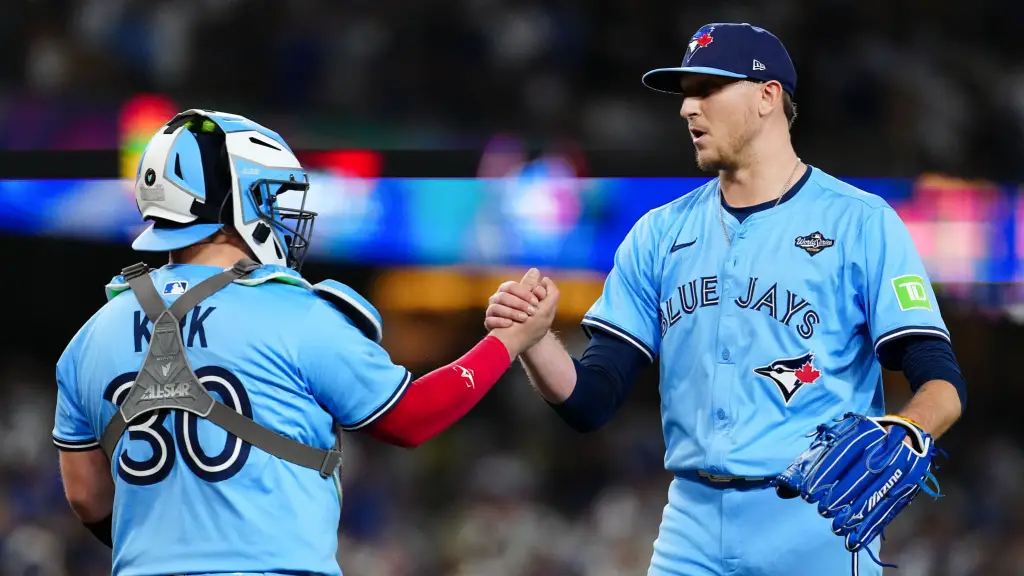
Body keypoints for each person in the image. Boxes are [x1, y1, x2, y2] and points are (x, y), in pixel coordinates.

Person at [484, 22, 966, 576]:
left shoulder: (860, 222)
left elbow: (941, 381)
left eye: (708, 89)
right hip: (690, 523)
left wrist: (909, 428)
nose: (688, 108)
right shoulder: (658, 234)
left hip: (814, 518)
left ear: (767, 96)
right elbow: (591, 401)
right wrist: (535, 339)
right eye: (685, 93)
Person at [52, 109, 557, 576]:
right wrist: (508, 340)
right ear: (236, 201)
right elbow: (409, 418)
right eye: (269, 194)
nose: (281, 211)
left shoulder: (90, 336)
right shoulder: (299, 315)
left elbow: (86, 497)